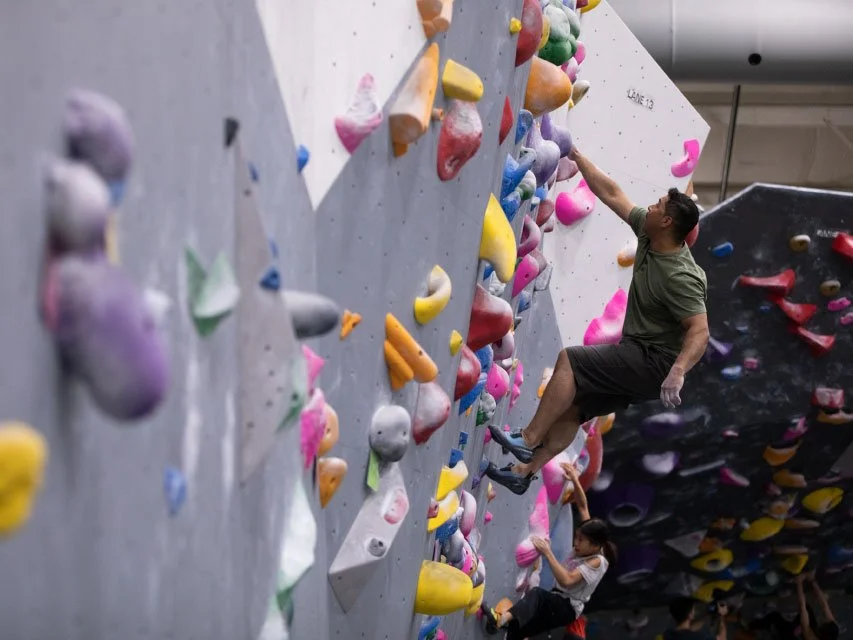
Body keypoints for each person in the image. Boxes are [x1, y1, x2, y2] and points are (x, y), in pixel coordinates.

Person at [485, 147, 709, 494]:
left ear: (667, 222)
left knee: (570, 361)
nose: (650, 206)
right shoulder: (651, 235)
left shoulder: (682, 276)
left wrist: (678, 371)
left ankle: (528, 438)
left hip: (656, 364)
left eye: (658, 206)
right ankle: (524, 471)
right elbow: (611, 192)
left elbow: (700, 330)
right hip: (642, 356)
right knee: (575, 406)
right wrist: (575, 154)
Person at [480, 463, 614, 640]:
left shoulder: (597, 562)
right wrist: (574, 477)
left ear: (595, 546)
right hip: (558, 600)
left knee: (537, 596)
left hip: (567, 608)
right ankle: (500, 626)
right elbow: (582, 506)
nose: (576, 543)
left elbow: (567, 581)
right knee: (522, 629)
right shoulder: (592, 541)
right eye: (577, 537)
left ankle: (501, 618)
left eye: (582, 540)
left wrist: (547, 552)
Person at [746, 572, 839, 640]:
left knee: (775, 617)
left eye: (822, 622)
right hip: (811, 630)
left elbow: (801, 605)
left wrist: (799, 582)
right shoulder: (832, 626)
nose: (822, 619)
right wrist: (812, 580)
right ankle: (794, 626)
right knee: (807, 609)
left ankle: (750, 626)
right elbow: (824, 604)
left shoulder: (811, 637)